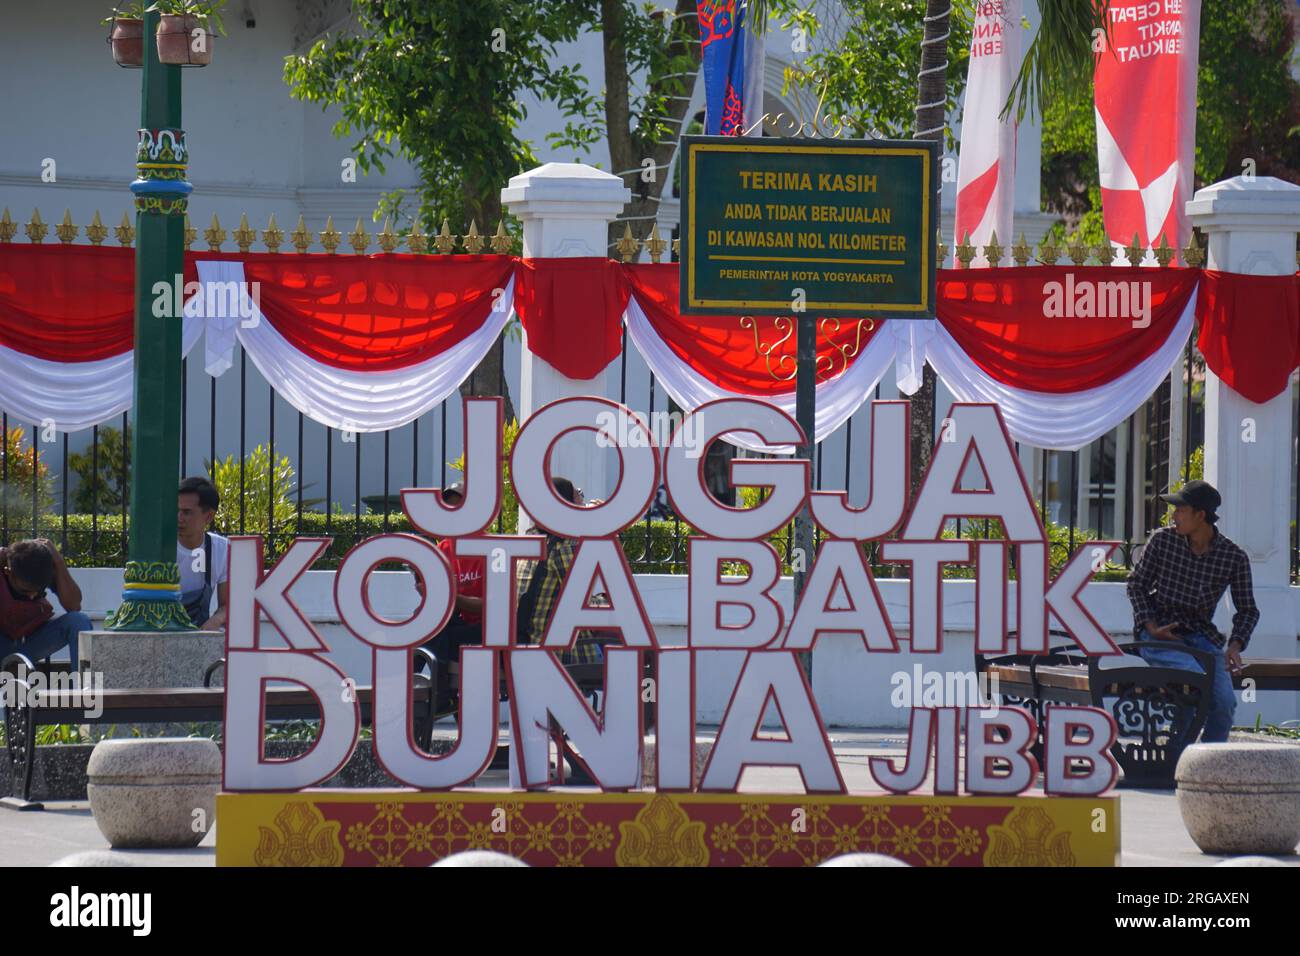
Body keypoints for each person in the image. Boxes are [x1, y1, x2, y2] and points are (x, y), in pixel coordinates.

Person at [1126, 480, 1257, 743]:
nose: (1174, 515)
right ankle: (1176, 759)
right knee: (1195, 685)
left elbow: (1248, 610)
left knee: (1224, 705)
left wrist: (1235, 646)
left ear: (1201, 515)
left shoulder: (1234, 557)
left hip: (1200, 638)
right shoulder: (1163, 541)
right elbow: (1136, 585)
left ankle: (1204, 767)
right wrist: (1150, 626)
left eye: (1180, 510)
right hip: (1159, 634)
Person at [515, 477, 604, 666]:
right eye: (578, 495)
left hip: (527, 647)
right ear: (566, 505)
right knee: (632, 660)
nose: (583, 501)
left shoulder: (530, 541)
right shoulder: (564, 547)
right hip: (564, 655)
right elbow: (588, 607)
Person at [420, 482, 486, 662]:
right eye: (448, 508)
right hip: (457, 624)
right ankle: (412, 683)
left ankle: (422, 685)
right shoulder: (443, 548)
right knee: (424, 623)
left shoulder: (492, 549)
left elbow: (494, 607)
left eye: (458, 507)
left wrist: (452, 598)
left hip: (487, 630)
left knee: (437, 635)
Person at [0, 538, 88, 668]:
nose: (32, 596)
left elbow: (74, 606)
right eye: (25, 591)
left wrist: (58, 562)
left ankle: (87, 686)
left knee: (78, 621)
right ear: (8, 572)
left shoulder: (42, 567)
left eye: (39, 590)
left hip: (30, 644)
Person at [177, 476, 229, 629]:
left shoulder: (222, 549)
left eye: (187, 512)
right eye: (176, 510)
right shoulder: (159, 547)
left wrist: (213, 623)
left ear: (208, 516)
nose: (179, 518)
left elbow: (226, 606)